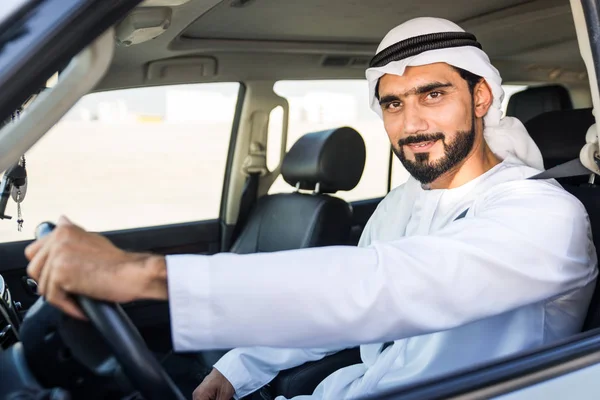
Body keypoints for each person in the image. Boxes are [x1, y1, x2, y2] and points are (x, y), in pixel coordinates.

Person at [25, 17, 598, 400]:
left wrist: (145, 275)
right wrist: (240, 365)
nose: (413, 123)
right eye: (393, 103)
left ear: (480, 97)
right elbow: (341, 307)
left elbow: (379, 286)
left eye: (433, 94)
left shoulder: (544, 216)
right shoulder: (403, 203)